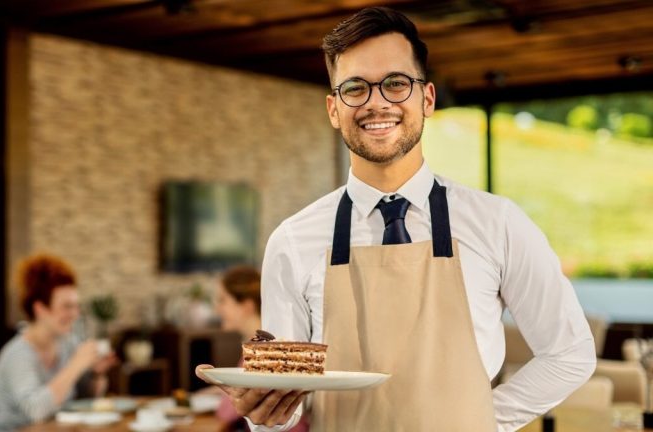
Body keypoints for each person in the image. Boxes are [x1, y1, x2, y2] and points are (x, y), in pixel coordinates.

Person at [196, 6, 596, 432]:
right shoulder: (292, 241)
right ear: (333, 109)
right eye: (355, 88)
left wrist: (482, 420)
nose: (377, 102)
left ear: (427, 98)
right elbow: (284, 403)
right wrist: (266, 414)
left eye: (396, 83)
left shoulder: (498, 223)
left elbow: (569, 352)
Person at [0, 254, 117, 432]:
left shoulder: (68, 344)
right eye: (67, 306)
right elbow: (37, 411)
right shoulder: (17, 354)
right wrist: (76, 365)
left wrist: (96, 373)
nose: (75, 314)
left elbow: (84, 399)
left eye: (76, 306)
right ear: (40, 309)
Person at [210, 266, 309, 432]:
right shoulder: (271, 340)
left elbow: (226, 412)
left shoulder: (260, 350)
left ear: (246, 306)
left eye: (223, 300)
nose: (217, 309)